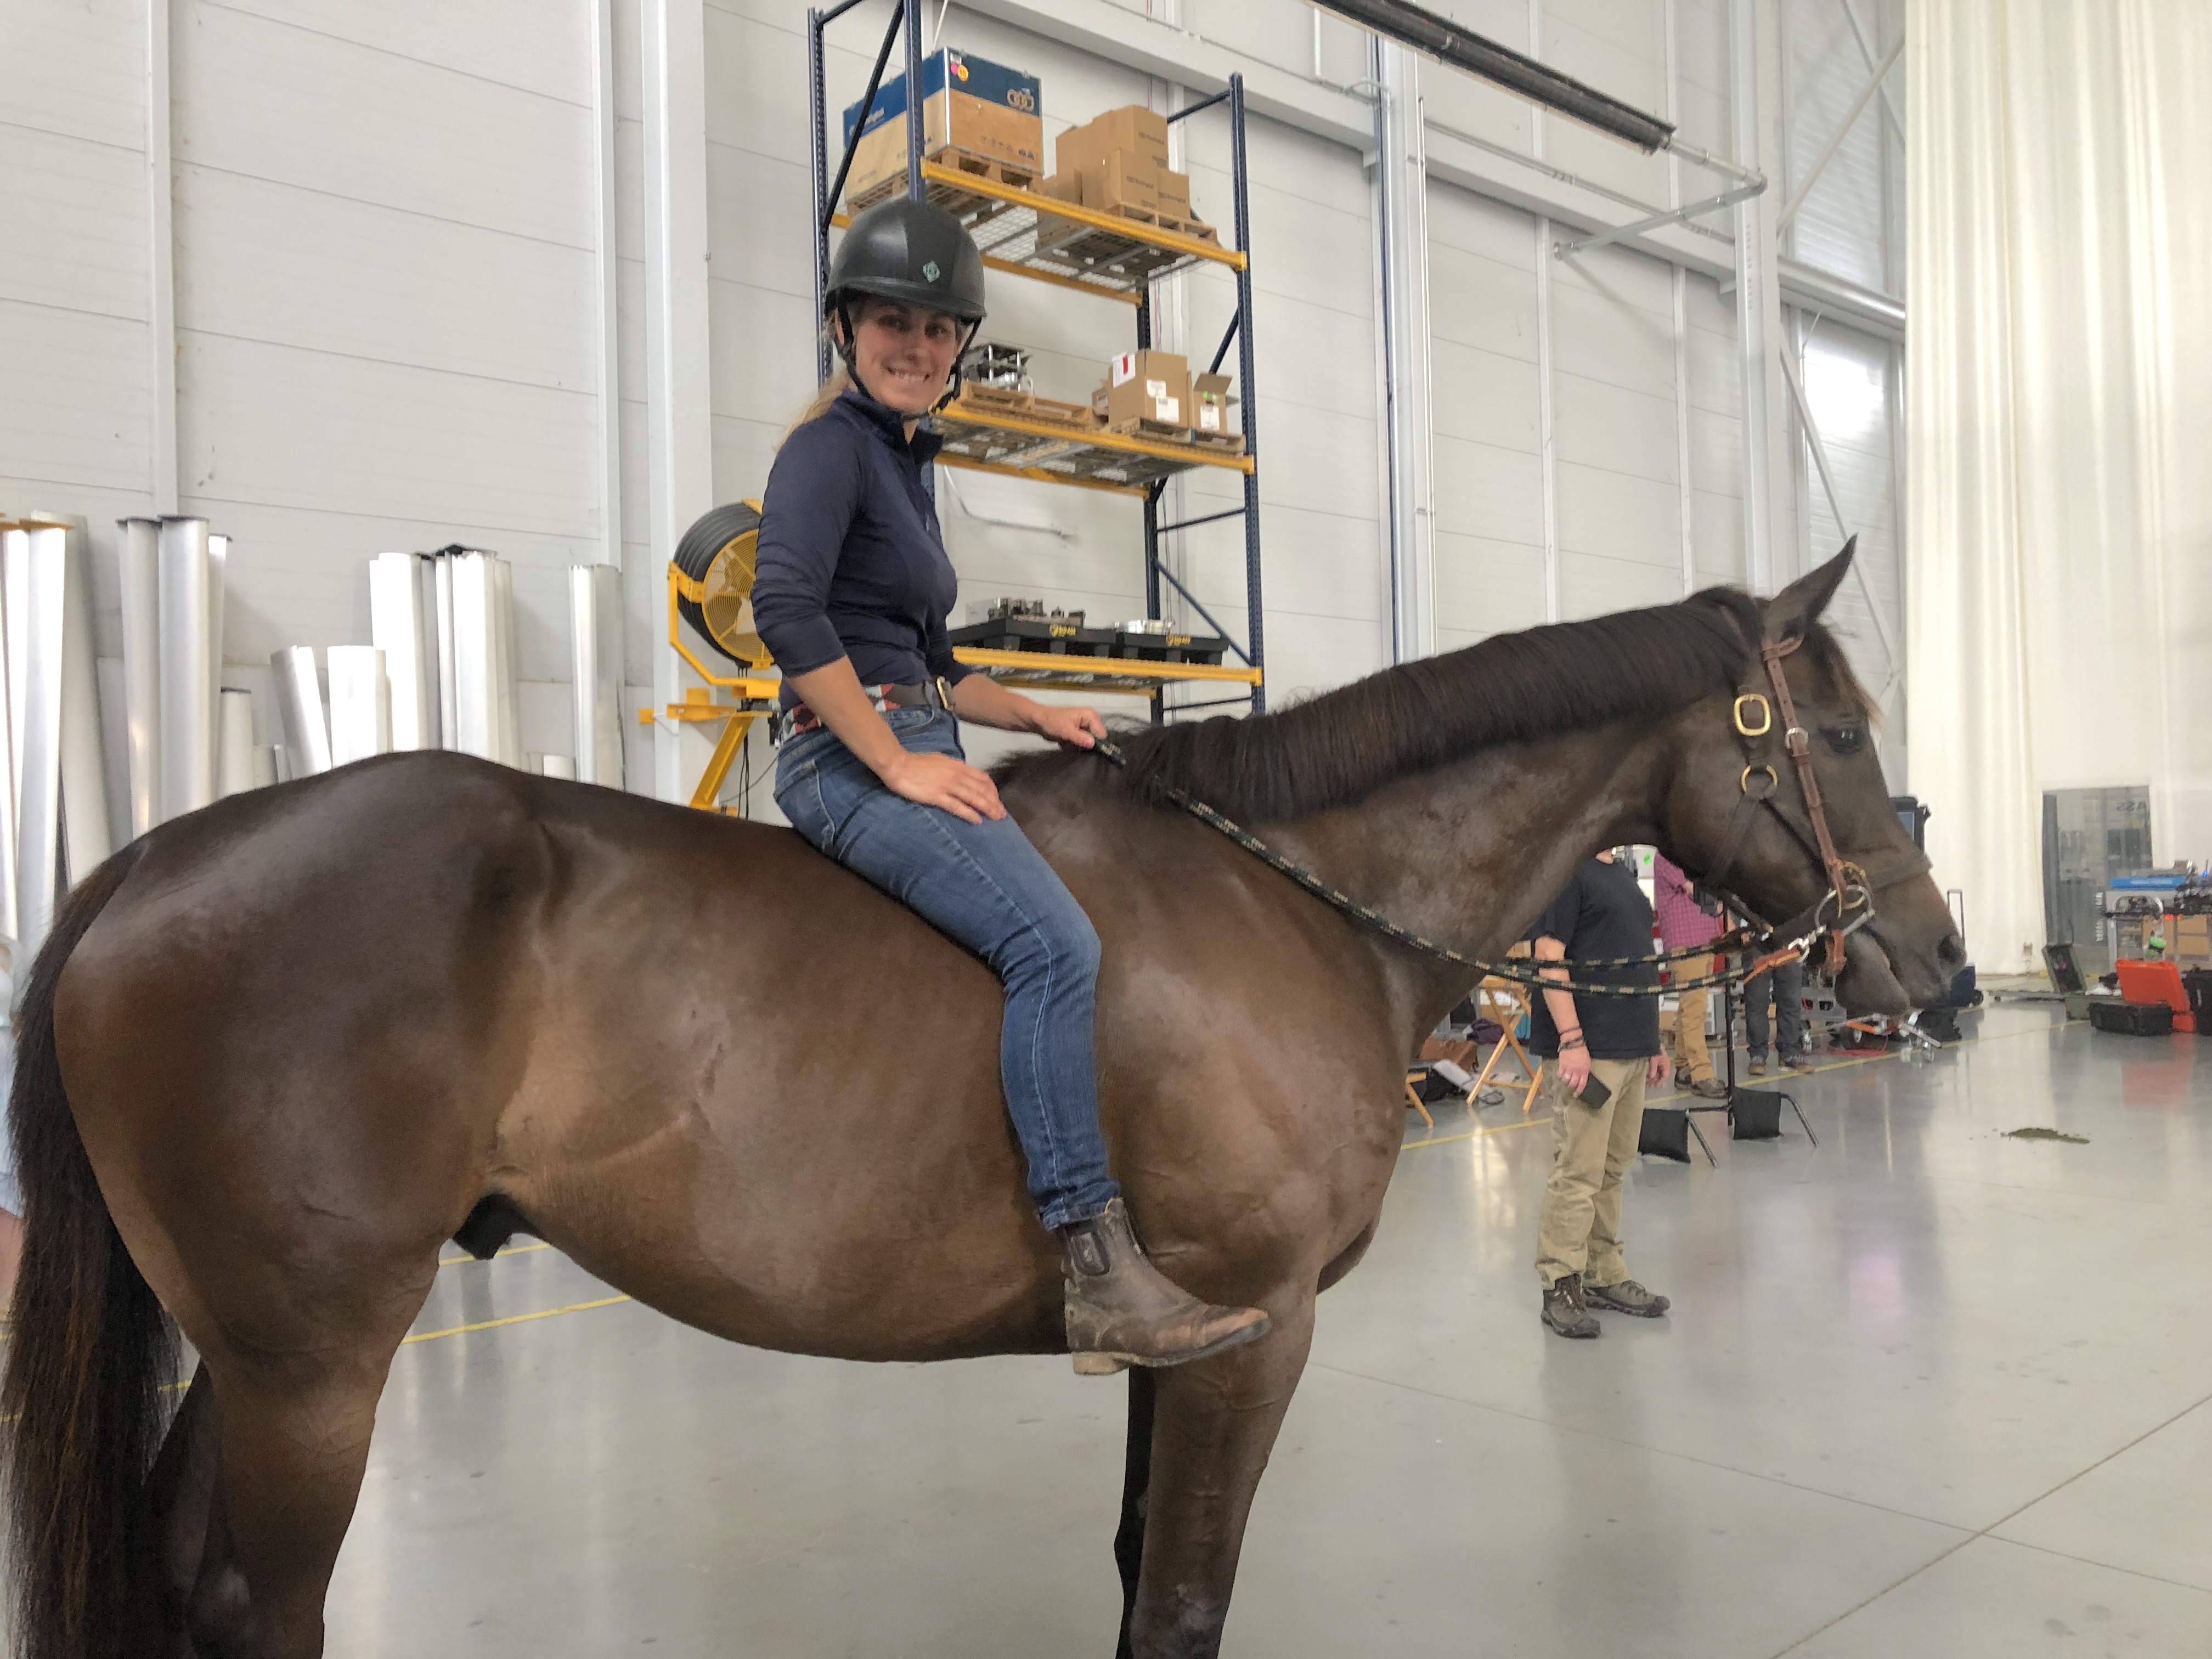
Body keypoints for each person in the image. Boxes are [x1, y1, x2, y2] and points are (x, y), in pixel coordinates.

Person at [752, 197, 1267, 1371]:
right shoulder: (827, 449)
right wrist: (892, 760)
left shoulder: (900, 460)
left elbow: (934, 662)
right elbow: (784, 610)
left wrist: (1037, 713)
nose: (918, 347)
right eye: (894, 322)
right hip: (844, 754)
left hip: (907, 724)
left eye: (939, 331)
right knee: (1058, 948)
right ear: (846, 327)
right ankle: (1096, 1266)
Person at [1527, 849, 1673, 1339]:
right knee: (1579, 1172)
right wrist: (1571, 1040)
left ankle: (1603, 1273)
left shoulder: (1622, 875)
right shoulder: (1565, 869)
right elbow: (1549, 955)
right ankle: (1560, 1283)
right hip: (1589, 1051)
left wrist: (1653, 1043)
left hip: (1630, 1048)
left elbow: (1637, 961)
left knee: (1613, 1168)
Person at [1652, 853, 1726, 1099]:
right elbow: (1694, 890)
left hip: (1704, 938)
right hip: (1686, 942)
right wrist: (1722, 903)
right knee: (1694, 1010)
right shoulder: (1668, 857)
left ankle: (1684, 1068)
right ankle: (1702, 1074)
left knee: (1691, 1007)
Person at [1742, 950, 1813, 1076]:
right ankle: (1758, 1054)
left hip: (1788, 943)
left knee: (1791, 1001)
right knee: (1756, 1001)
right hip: (1757, 943)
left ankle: (1789, 1053)